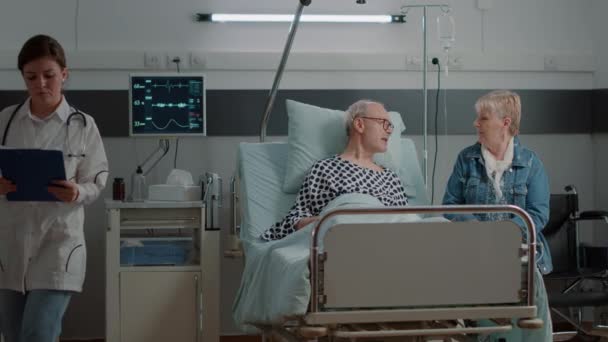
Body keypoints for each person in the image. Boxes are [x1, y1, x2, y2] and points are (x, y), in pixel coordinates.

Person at [0, 34, 109, 342]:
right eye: (31, 77)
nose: (41, 84)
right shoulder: (6, 120)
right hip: (10, 246)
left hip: (59, 245)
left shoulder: (83, 125)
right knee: (13, 334)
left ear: (64, 73)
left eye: (49, 75)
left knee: (39, 333)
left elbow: (97, 178)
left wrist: (77, 192)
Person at [442, 90, 552, 341]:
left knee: (524, 272)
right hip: (475, 247)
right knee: (485, 270)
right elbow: (450, 206)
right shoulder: (466, 160)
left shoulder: (531, 163)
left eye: (483, 118)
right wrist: (483, 235)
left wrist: (505, 237)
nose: (476, 123)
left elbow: (538, 213)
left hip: (519, 248)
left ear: (505, 122)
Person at [261, 100, 408, 241]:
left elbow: (408, 225)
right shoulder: (325, 168)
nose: (389, 131)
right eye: (383, 123)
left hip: (385, 242)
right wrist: (332, 221)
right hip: (342, 240)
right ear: (359, 124)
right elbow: (294, 220)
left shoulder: (391, 178)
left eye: (390, 126)